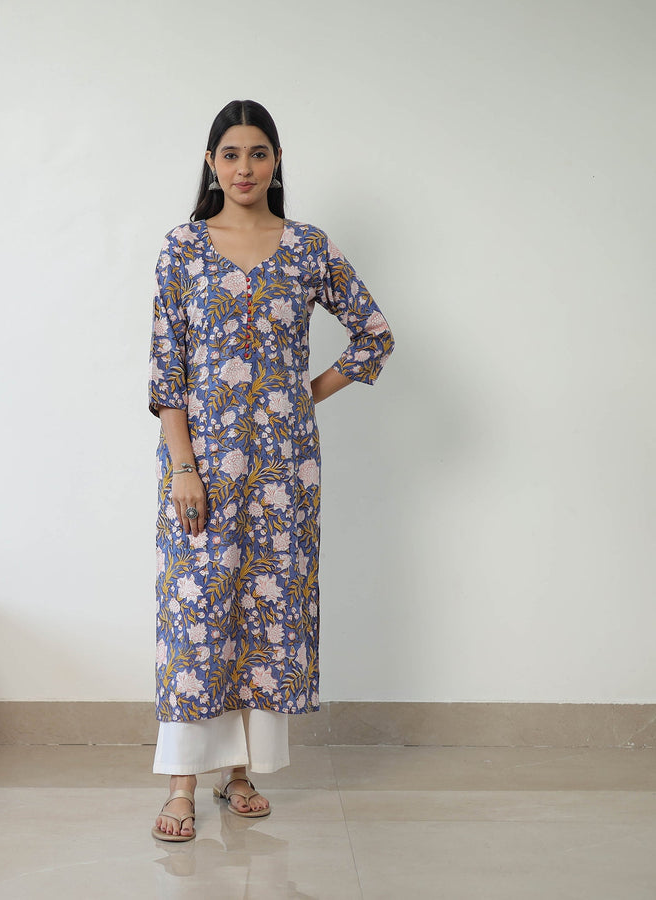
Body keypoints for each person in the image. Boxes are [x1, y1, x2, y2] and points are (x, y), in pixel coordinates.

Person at [148, 100, 394, 841]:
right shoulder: (183, 249)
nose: (244, 167)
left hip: (286, 474)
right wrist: (183, 468)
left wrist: (301, 397)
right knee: (196, 618)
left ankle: (240, 774)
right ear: (211, 162)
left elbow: (374, 334)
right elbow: (167, 373)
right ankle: (182, 787)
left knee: (265, 616)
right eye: (230, 154)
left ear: (277, 160)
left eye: (258, 153)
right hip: (202, 468)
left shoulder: (309, 248)